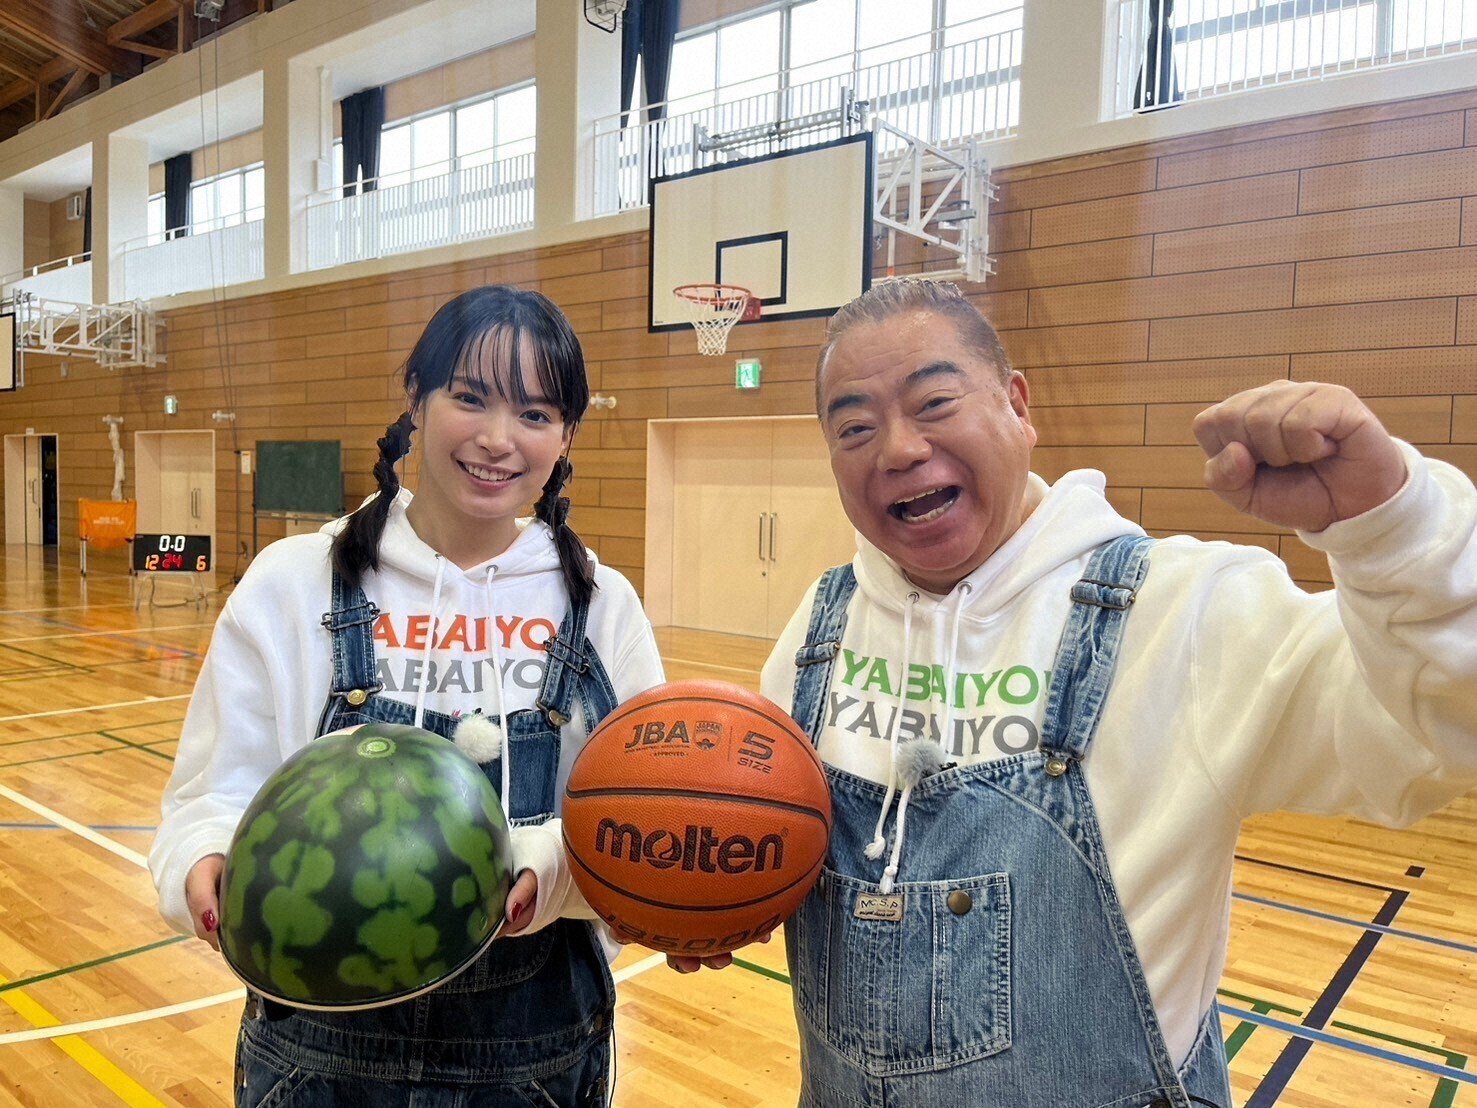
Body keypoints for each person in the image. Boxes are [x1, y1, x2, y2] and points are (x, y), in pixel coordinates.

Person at [690, 277, 1476, 1107]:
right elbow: (769, 846)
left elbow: (1432, 741)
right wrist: (703, 893)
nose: (896, 449)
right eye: (854, 427)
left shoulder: (1188, 608)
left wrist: (1392, 529)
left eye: (934, 402)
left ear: (1018, 406)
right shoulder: (819, 627)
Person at [149, 286, 664, 1106]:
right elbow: (213, 793)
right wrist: (202, 862)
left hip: (535, 1052)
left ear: (566, 435)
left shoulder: (601, 604)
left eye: (535, 414)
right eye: (470, 398)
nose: (498, 440)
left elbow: (639, 824)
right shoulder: (295, 580)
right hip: (318, 1047)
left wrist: (553, 873)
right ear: (415, 402)